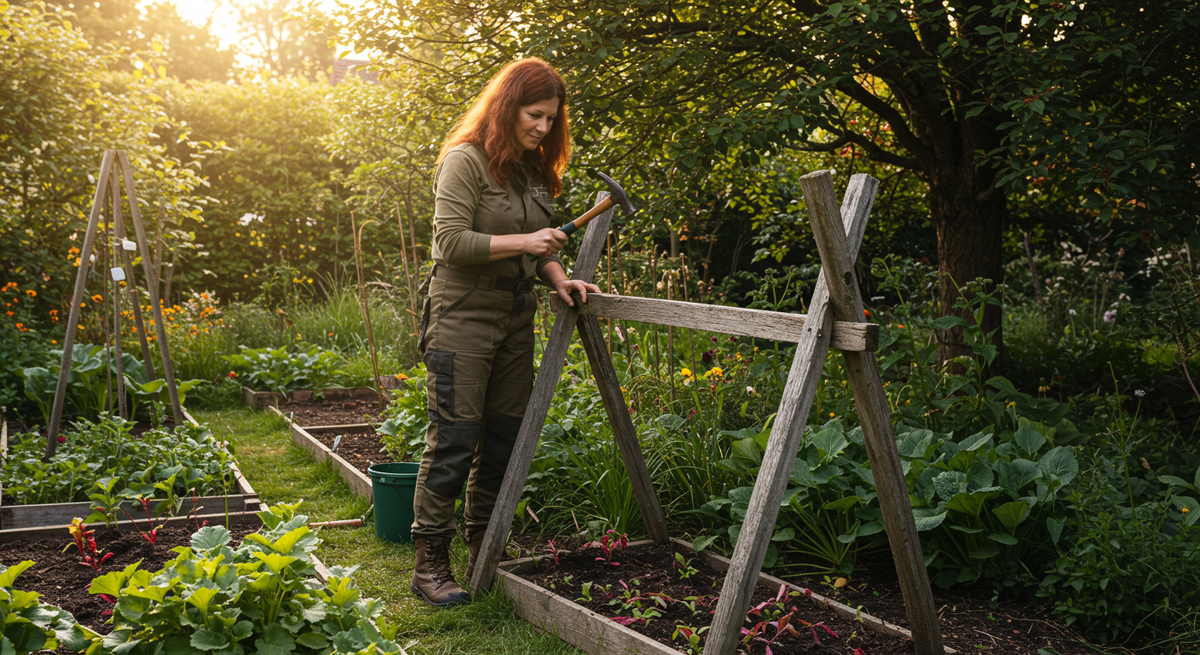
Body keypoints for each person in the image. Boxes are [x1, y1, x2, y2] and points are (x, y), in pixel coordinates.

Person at [409, 57, 601, 607]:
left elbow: (539, 248)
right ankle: (429, 564)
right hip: (462, 313)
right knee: (454, 438)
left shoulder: (525, 171)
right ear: (507, 105)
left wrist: (560, 278)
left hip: (516, 318)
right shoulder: (464, 161)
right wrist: (527, 243)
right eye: (534, 114)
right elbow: (450, 243)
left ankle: (484, 548)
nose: (542, 128)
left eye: (551, 119)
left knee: (503, 438)